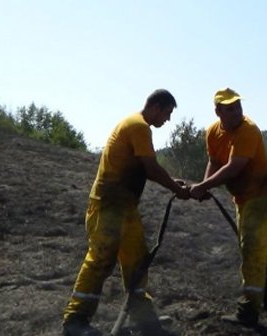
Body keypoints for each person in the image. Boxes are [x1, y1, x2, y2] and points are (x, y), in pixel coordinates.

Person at [62, 89, 190, 336]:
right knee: (100, 259)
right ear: (155, 106)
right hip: (108, 205)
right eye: (167, 112)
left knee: (137, 260)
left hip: (125, 207)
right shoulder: (139, 126)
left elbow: (145, 167)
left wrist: (178, 184)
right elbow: (151, 169)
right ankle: (75, 321)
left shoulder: (137, 125)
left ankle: (143, 318)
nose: (168, 119)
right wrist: (178, 189)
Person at [189, 88, 267, 336]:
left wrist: (202, 187)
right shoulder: (212, 132)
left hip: (262, 197)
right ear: (218, 111)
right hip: (242, 199)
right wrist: (205, 184)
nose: (236, 112)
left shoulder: (248, 130)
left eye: (238, 106)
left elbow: (234, 167)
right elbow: (214, 160)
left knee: (251, 248)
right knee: (258, 251)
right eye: (229, 108)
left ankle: (249, 311)